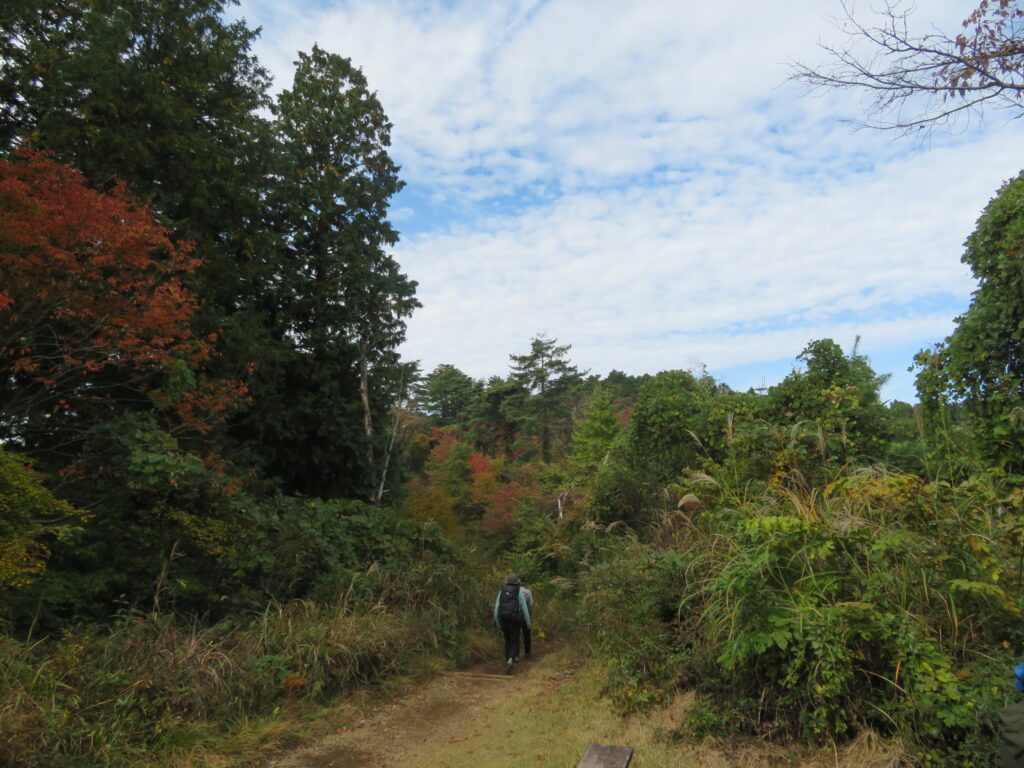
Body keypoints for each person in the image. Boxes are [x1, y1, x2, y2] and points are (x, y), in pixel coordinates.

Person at [493, 573, 531, 673]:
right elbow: (524, 608)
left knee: (507, 640)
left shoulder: (501, 591)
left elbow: (497, 607)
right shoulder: (518, 592)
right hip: (515, 620)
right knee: (514, 640)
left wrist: (497, 620)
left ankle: (508, 660)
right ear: (516, 582)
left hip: (504, 619)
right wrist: (528, 621)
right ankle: (511, 659)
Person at [519, 576, 534, 657]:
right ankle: (527, 651)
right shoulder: (527, 592)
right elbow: (531, 604)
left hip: (515, 615)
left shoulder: (514, 591)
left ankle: (515, 653)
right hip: (525, 614)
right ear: (524, 582)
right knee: (527, 633)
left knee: (516, 634)